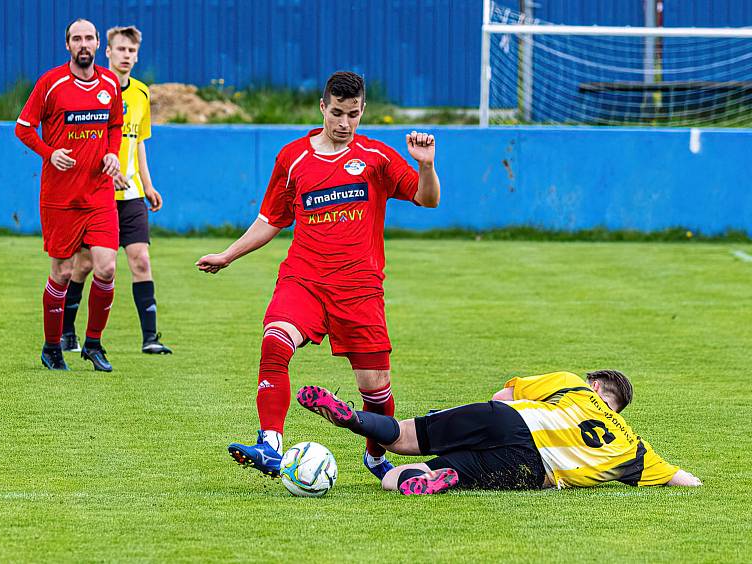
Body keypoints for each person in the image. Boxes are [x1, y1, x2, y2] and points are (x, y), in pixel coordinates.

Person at [196, 71, 441, 479]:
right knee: (275, 342)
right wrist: (228, 254)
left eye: (354, 115)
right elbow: (270, 219)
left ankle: (377, 458)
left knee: (376, 391)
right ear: (322, 108)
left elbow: (427, 198)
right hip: (304, 280)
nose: (345, 124)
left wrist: (427, 166)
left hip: (359, 289)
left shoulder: (377, 157)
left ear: (363, 112)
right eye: (338, 113)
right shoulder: (292, 158)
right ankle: (270, 445)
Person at [296, 370, 703, 495]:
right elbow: (684, 479)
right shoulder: (632, 448)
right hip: (532, 468)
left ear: (596, 385)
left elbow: (501, 394)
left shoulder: (573, 384)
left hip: (510, 418)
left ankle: (354, 418)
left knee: (402, 434)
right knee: (391, 481)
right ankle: (449, 474)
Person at [15, 18, 123, 372]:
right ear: (67, 45)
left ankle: (93, 343)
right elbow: (24, 127)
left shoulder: (109, 82)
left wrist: (111, 153)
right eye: (77, 38)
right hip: (60, 198)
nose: (84, 44)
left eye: (89, 38)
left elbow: (114, 125)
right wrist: (49, 153)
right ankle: (52, 347)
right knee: (61, 272)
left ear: (97, 44)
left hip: (99, 194)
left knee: (106, 268)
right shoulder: (51, 83)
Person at [61, 25, 172, 355]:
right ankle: (67, 332)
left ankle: (150, 338)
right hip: (96, 193)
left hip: (132, 194)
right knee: (82, 265)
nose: (126, 55)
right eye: (120, 49)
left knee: (141, 260)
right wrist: (107, 176)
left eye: (131, 51)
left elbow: (137, 143)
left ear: (137, 56)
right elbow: (88, 143)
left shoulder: (140, 93)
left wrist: (148, 185)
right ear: (106, 51)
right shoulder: (96, 89)